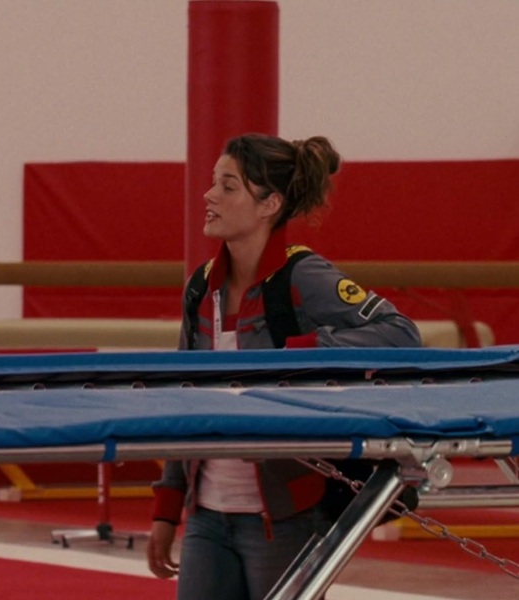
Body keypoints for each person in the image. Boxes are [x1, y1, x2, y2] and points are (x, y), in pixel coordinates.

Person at [144, 133, 421, 599]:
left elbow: (400, 332)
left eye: (228, 186)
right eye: (213, 182)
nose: (209, 195)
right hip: (206, 516)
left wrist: (306, 349)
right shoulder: (201, 288)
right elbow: (183, 396)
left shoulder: (303, 276)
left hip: (285, 517)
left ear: (269, 204)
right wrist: (167, 507)